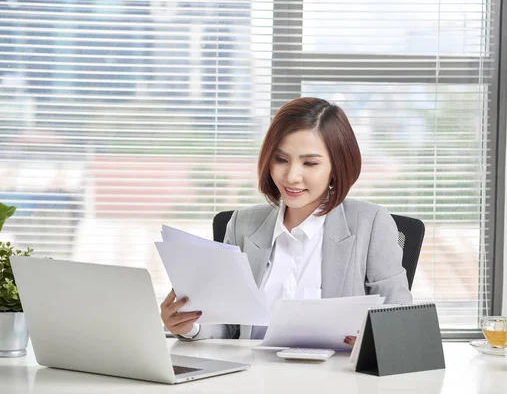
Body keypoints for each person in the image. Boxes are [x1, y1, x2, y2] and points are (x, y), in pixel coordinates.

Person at [161, 97, 413, 344]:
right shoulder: (242, 224)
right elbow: (229, 325)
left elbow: (400, 322)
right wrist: (190, 325)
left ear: (336, 167)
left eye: (310, 163)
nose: (292, 176)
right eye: (281, 160)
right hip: (255, 379)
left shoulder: (370, 224)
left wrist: (373, 341)